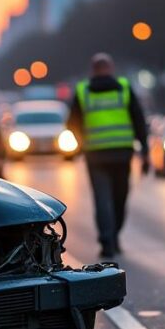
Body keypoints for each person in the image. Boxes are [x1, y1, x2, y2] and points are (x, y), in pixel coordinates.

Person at [68, 53, 149, 258]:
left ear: (92, 70)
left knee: (102, 200)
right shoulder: (123, 87)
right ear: (111, 68)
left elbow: (71, 123)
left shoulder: (82, 91)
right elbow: (138, 119)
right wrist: (145, 150)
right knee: (120, 198)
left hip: (95, 154)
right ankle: (115, 236)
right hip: (122, 153)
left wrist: (80, 145)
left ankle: (107, 242)